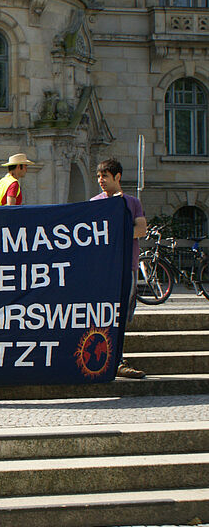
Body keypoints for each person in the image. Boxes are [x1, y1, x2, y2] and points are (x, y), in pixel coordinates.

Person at [91, 158, 147, 379]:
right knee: (102, 314)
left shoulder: (132, 203)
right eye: (98, 176)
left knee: (122, 315)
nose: (101, 180)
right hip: (103, 269)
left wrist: (115, 236)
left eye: (105, 176)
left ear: (117, 177)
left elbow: (141, 229)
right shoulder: (95, 202)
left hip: (128, 267)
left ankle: (118, 359)